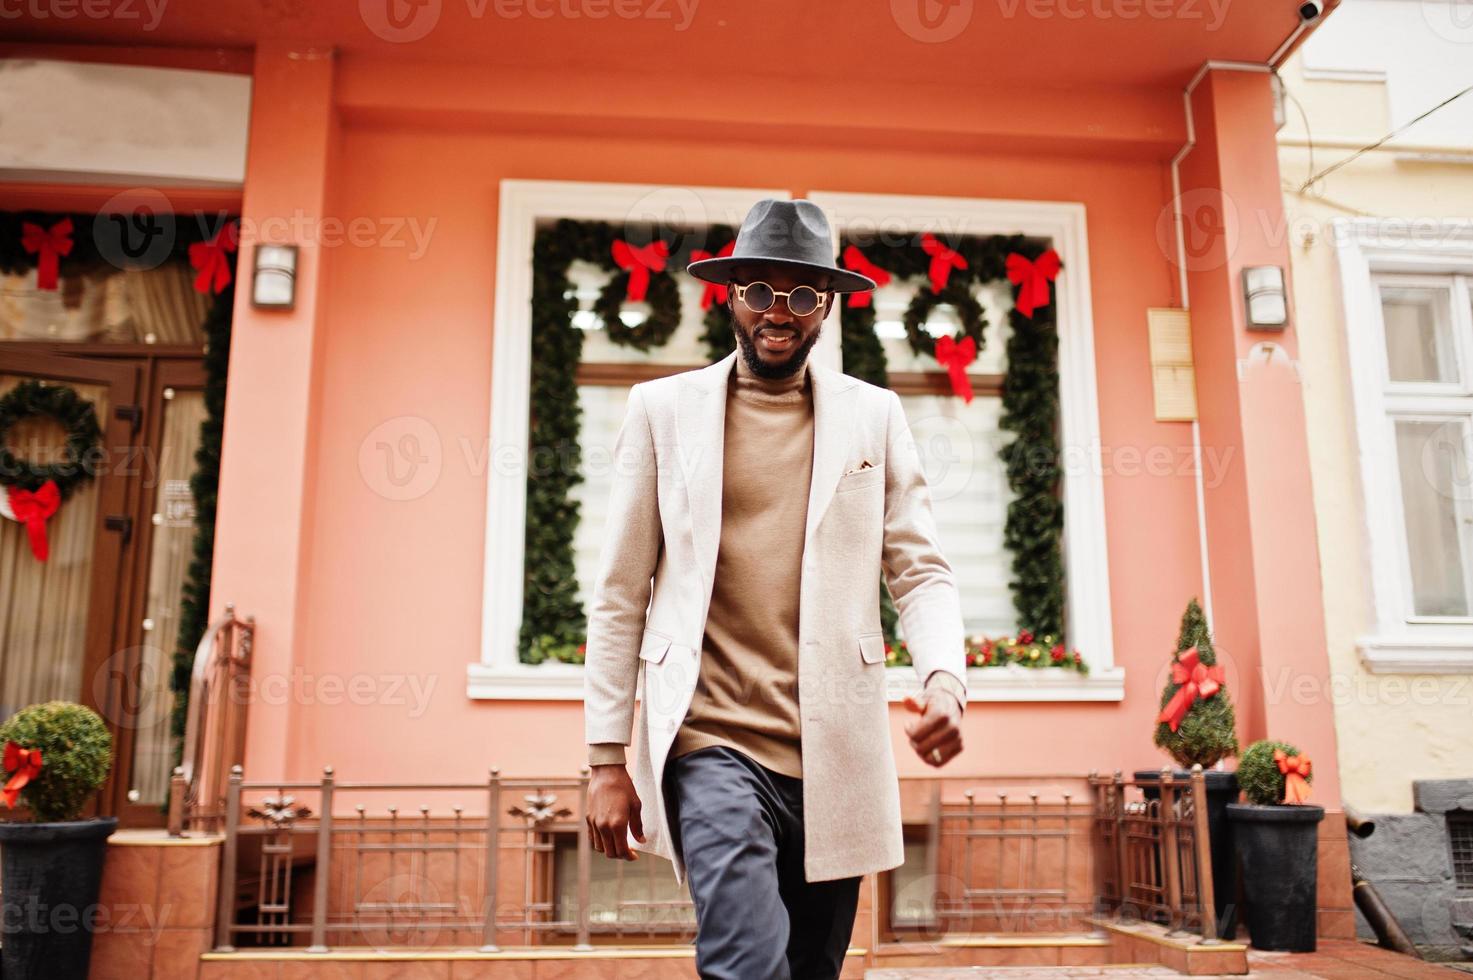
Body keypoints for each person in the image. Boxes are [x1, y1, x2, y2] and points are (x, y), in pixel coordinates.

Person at [582, 198, 967, 979]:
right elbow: (621, 590)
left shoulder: (876, 416)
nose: (777, 312)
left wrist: (944, 680)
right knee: (745, 962)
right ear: (729, 296)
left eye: (799, 294)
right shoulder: (662, 411)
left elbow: (919, 570)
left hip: (837, 751)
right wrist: (603, 758)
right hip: (710, 741)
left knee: (808, 966)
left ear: (826, 304)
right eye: (758, 290)